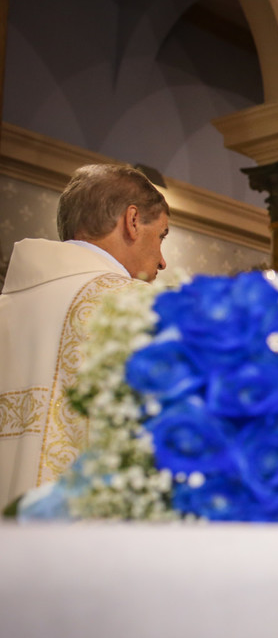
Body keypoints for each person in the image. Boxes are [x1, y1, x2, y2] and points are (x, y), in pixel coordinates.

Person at [0, 163, 169, 510]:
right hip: (85, 543)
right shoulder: (139, 307)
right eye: (162, 236)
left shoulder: (7, 305)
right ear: (132, 221)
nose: (163, 261)